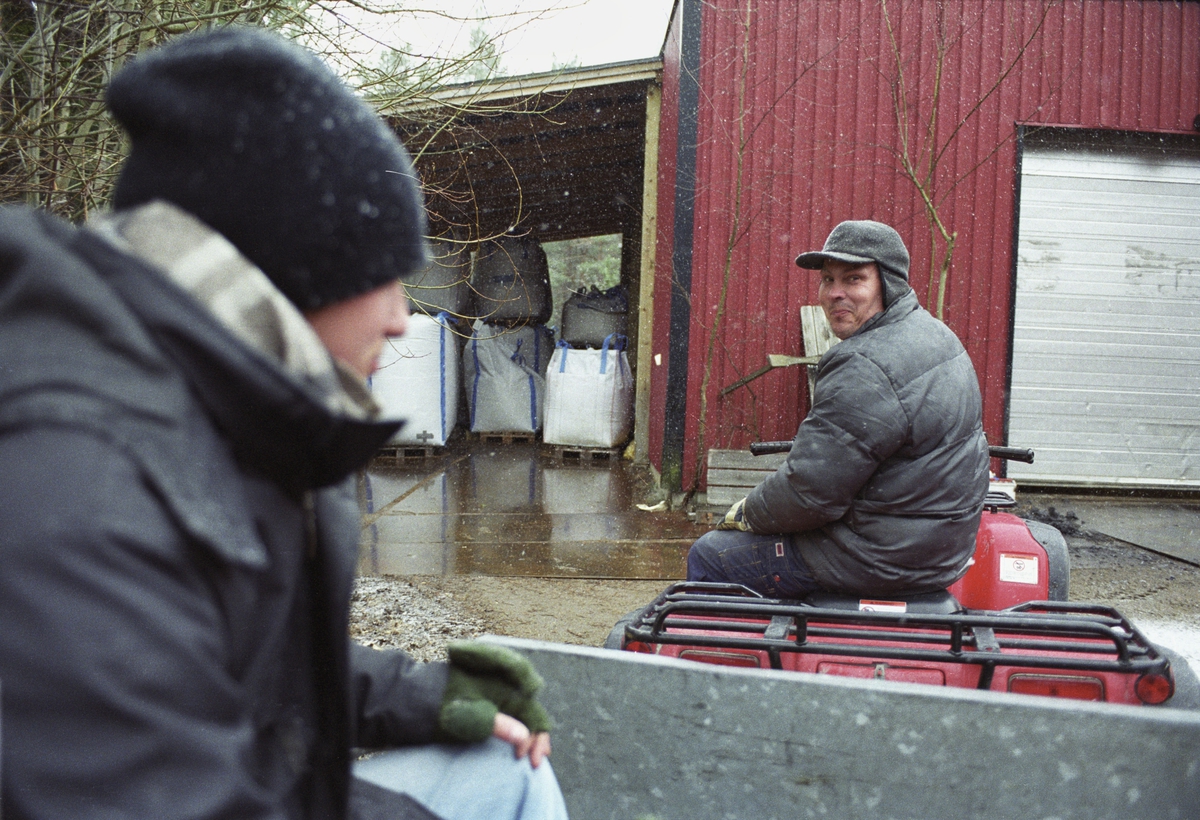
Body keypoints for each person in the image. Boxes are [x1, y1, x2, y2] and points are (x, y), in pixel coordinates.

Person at [0, 26, 566, 820]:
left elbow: (248, 672)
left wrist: (427, 694)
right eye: (386, 276)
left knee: (508, 767)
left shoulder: (203, 411)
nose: (401, 319)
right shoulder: (77, 486)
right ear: (292, 266)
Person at [687, 220, 990, 598]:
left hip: (877, 558)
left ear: (889, 283)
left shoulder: (865, 365)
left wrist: (748, 512)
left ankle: (727, 639)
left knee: (712, 554)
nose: (834, 293)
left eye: (854, 279)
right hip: (935, 552)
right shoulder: (937, 335)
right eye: (827, 280)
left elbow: (810, 495)